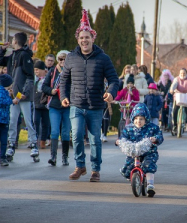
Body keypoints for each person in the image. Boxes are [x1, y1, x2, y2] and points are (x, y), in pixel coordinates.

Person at [60, 9, 119, 182]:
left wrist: (110, 93)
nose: (84, 40)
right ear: (78, 40)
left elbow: (114, 80)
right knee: (76, 135)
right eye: (81, 38)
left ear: (93, 38)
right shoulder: (71, 58)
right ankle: (80, 166)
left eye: (87, 37)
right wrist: (64, 95)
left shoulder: (103, 58)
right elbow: (64, 80)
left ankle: (95, 169)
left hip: (95, 106)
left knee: (95, 140)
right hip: (76, 104)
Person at [0, 32, 39, 161]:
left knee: (28, 120)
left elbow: (30, 78)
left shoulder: (25, 56)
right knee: (12, 120)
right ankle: (11, 144)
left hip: (23, 96)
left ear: (16, 41)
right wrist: (1, 50)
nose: (11, 41)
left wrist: (22, 94)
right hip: (13, 95)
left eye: (13, 39)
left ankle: (34, 144)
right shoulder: (12, 56)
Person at [116, 103, 164, 197]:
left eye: (141, 119)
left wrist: (155, 139)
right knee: (128, 166)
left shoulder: (152, 127)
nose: (138, 121)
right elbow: (123, 137)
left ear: (146, 119)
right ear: (133, 118)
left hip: (148, 152)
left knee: (149, 165)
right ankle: (134, 179)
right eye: (136, 119)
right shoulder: (129, 128)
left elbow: (159, 135)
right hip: (134, 151)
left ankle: (150, 185)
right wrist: (119, 141)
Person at [42, 50, 71, 166]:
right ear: (57, 60)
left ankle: (65, 157)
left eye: (65, 59)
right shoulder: (52, 72)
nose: (63, 61)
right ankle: (53, 157)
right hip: (54, 105)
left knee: (65, 133)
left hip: (68, 106)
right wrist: (51, 91)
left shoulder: (72, 72)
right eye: (60, 59)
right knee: (54, 132)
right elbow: (44, 86)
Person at [169, 68, 187, 138]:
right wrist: (172, 90)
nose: (182, 75)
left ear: (186, 73)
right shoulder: (177, 79)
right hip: (178, 97)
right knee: (174, 111)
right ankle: (175, 125)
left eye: (184, 73)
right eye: (181, 73)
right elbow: (174, 84)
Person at [33, 60, 50, 150]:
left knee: (45, 124)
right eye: (35, 69)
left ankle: (43, 141)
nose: (36, 71)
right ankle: (35, 140)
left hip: (45, 105)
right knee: (35, 122)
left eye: (38, 69)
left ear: (44, 70)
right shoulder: (33, 79)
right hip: (35, 104)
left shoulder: (47, 79)